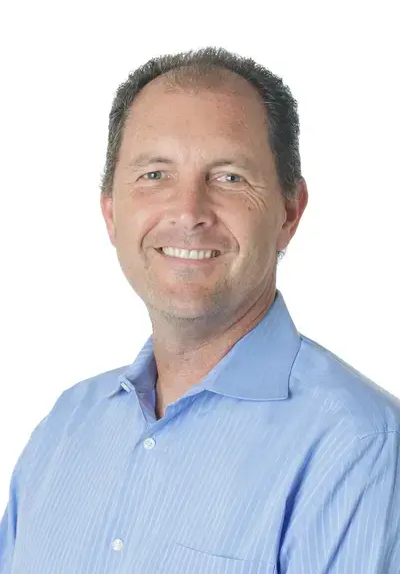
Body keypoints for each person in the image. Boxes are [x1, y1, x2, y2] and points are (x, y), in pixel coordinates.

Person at [1, 46, 399, 574]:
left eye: (229, 177)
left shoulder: (360, 445)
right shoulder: (65, 428)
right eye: (155, 175)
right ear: (111, 212)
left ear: (289, 211)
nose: (189, 212)